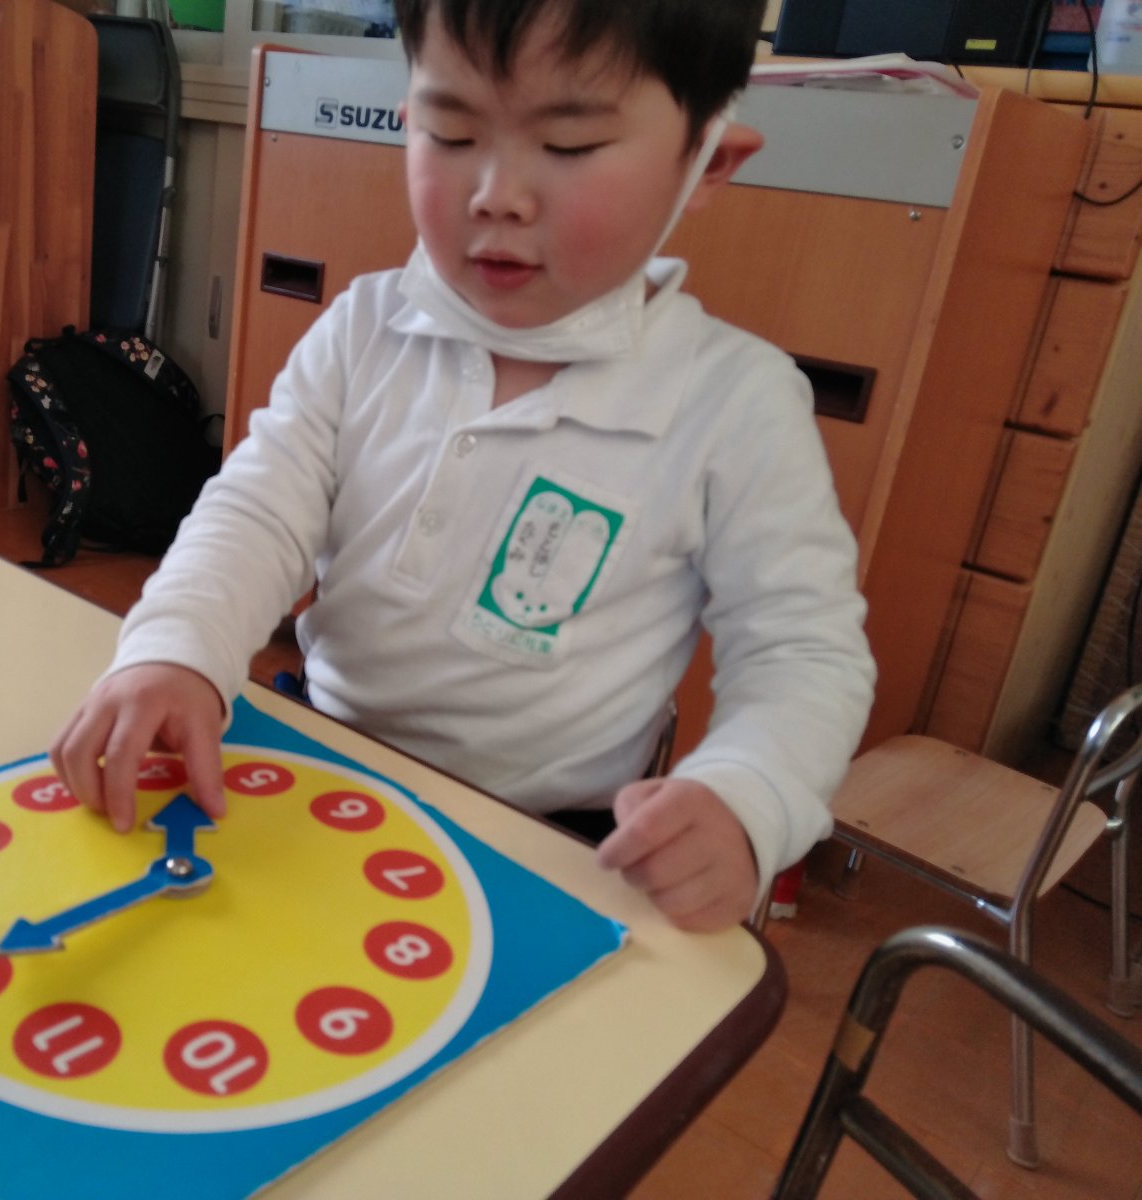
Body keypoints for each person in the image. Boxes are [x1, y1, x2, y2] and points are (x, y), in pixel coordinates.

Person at [49, 0, 875, 932]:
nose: (497, 195)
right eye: (451, 133)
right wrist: (177, 651)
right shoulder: (364, 329)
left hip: (550, 845)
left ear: (707, 162)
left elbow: (804, 652)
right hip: (324, 767)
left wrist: (747, 794)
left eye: (568, 146)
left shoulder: (735, 402)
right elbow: (255, 513)